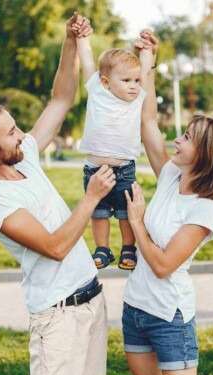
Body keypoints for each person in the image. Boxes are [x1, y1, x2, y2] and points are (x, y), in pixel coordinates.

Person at [0, 14, 114, 375]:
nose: (21, 135)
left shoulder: (23, 159)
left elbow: (60, 98)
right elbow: (55, 246)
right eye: (11, 133)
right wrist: (91, 198)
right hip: (57, 319)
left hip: (92, 303)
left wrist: (69, 42)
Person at [122, 31, 213, 375]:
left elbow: (162, 265)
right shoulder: (172, 176)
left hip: (169, 317)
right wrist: (149, 62)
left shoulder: (203, 210)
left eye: (187, 138)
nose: (177, 139)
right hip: (136, 308)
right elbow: (147, 124)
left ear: (204, 154)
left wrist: (138, 222)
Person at [74, 25, 154, 271]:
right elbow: (88, 61)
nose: (133, 85)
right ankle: (103, 249)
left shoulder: (138, 98)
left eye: (136, 80)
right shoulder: (97, 90)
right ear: (106, 82)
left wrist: (147, 50)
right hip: (95, 170)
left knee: (124, 212)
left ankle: (128, 248)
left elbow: (147, 73)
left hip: (124, 170)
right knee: (98, 213)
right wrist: (82, 38)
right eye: (127, 80)